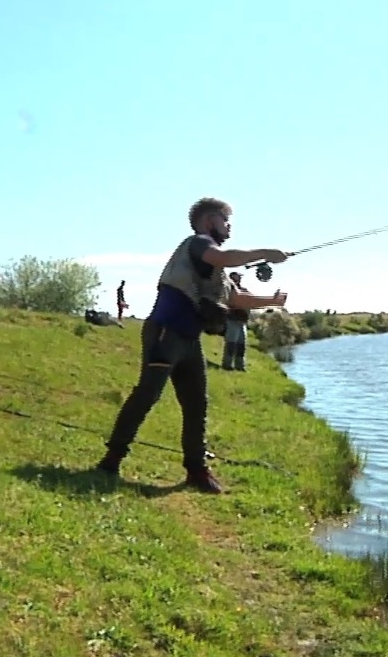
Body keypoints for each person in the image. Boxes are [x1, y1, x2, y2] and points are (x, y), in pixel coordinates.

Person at [94, 197, 290, 493]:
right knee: (147, 394)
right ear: (210, 221)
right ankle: (112, 459)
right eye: (226, 221)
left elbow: (235, 298)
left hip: (189, 340)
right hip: (165, 332)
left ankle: (197, 471)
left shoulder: (216, 269)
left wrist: (272, 301)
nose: (229, 227)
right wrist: (267, 252)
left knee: (197, 405)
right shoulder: (197, 243)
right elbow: (223, 258)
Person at [222, 271, 252, 371]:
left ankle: (240, 366)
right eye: (237, 277)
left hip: (242, 321)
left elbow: (250, 302)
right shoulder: (228, 290)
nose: (239, 279)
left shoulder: (244, 290)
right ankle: (227, 365)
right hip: (232, 320)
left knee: (241, 344)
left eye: (239, 277)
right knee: (231, 343)